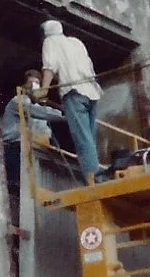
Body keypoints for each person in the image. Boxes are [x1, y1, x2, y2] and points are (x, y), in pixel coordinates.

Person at [39, 20, 103, 184]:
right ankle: (97, 175)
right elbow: (89, 66)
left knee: (83, 140)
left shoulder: (50, 42)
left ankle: (93, 180)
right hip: (92, 93)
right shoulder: (76, 42)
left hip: (73, 93)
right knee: (89, 139)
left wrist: (43, 90)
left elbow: (50, 66)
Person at [1, 69, 66, 190]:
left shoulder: (37, 108)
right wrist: (64, 115)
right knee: (17, 187)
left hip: (31, 151)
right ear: (24, 86)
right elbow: (39, 112)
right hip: (13, 147)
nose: (33, 87)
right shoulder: (17, 101)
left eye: (36, 84)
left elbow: (44, 127)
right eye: (30, 84)